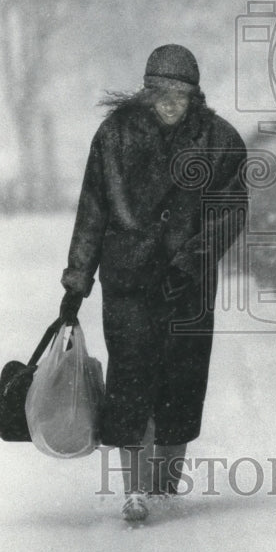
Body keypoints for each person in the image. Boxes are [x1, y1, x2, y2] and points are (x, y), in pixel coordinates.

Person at [60, 45, 248, 523]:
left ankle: (166, 489)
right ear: (146, 91)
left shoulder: (220, 140)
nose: (170, 102)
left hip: (188, 287)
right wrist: (77, 279)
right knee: (131, 379)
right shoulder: (114, 136)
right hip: (128, 282)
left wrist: (190, 264)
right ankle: (135, 492)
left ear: (195, 95)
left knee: (182, 385)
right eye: (162, 92)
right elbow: (93, 210)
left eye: (180, 94)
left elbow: (230, 212)